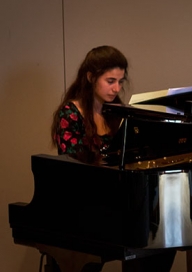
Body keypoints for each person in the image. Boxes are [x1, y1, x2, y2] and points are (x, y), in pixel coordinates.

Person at [49, 45, 176, 272]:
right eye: (110, 81)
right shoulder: (70, 113)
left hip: (117, 204)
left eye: (120, 81)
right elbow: (76, 170)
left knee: (162, 238)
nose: (116, 88)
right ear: (90, 77)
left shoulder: (118, 113)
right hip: (85, 205)